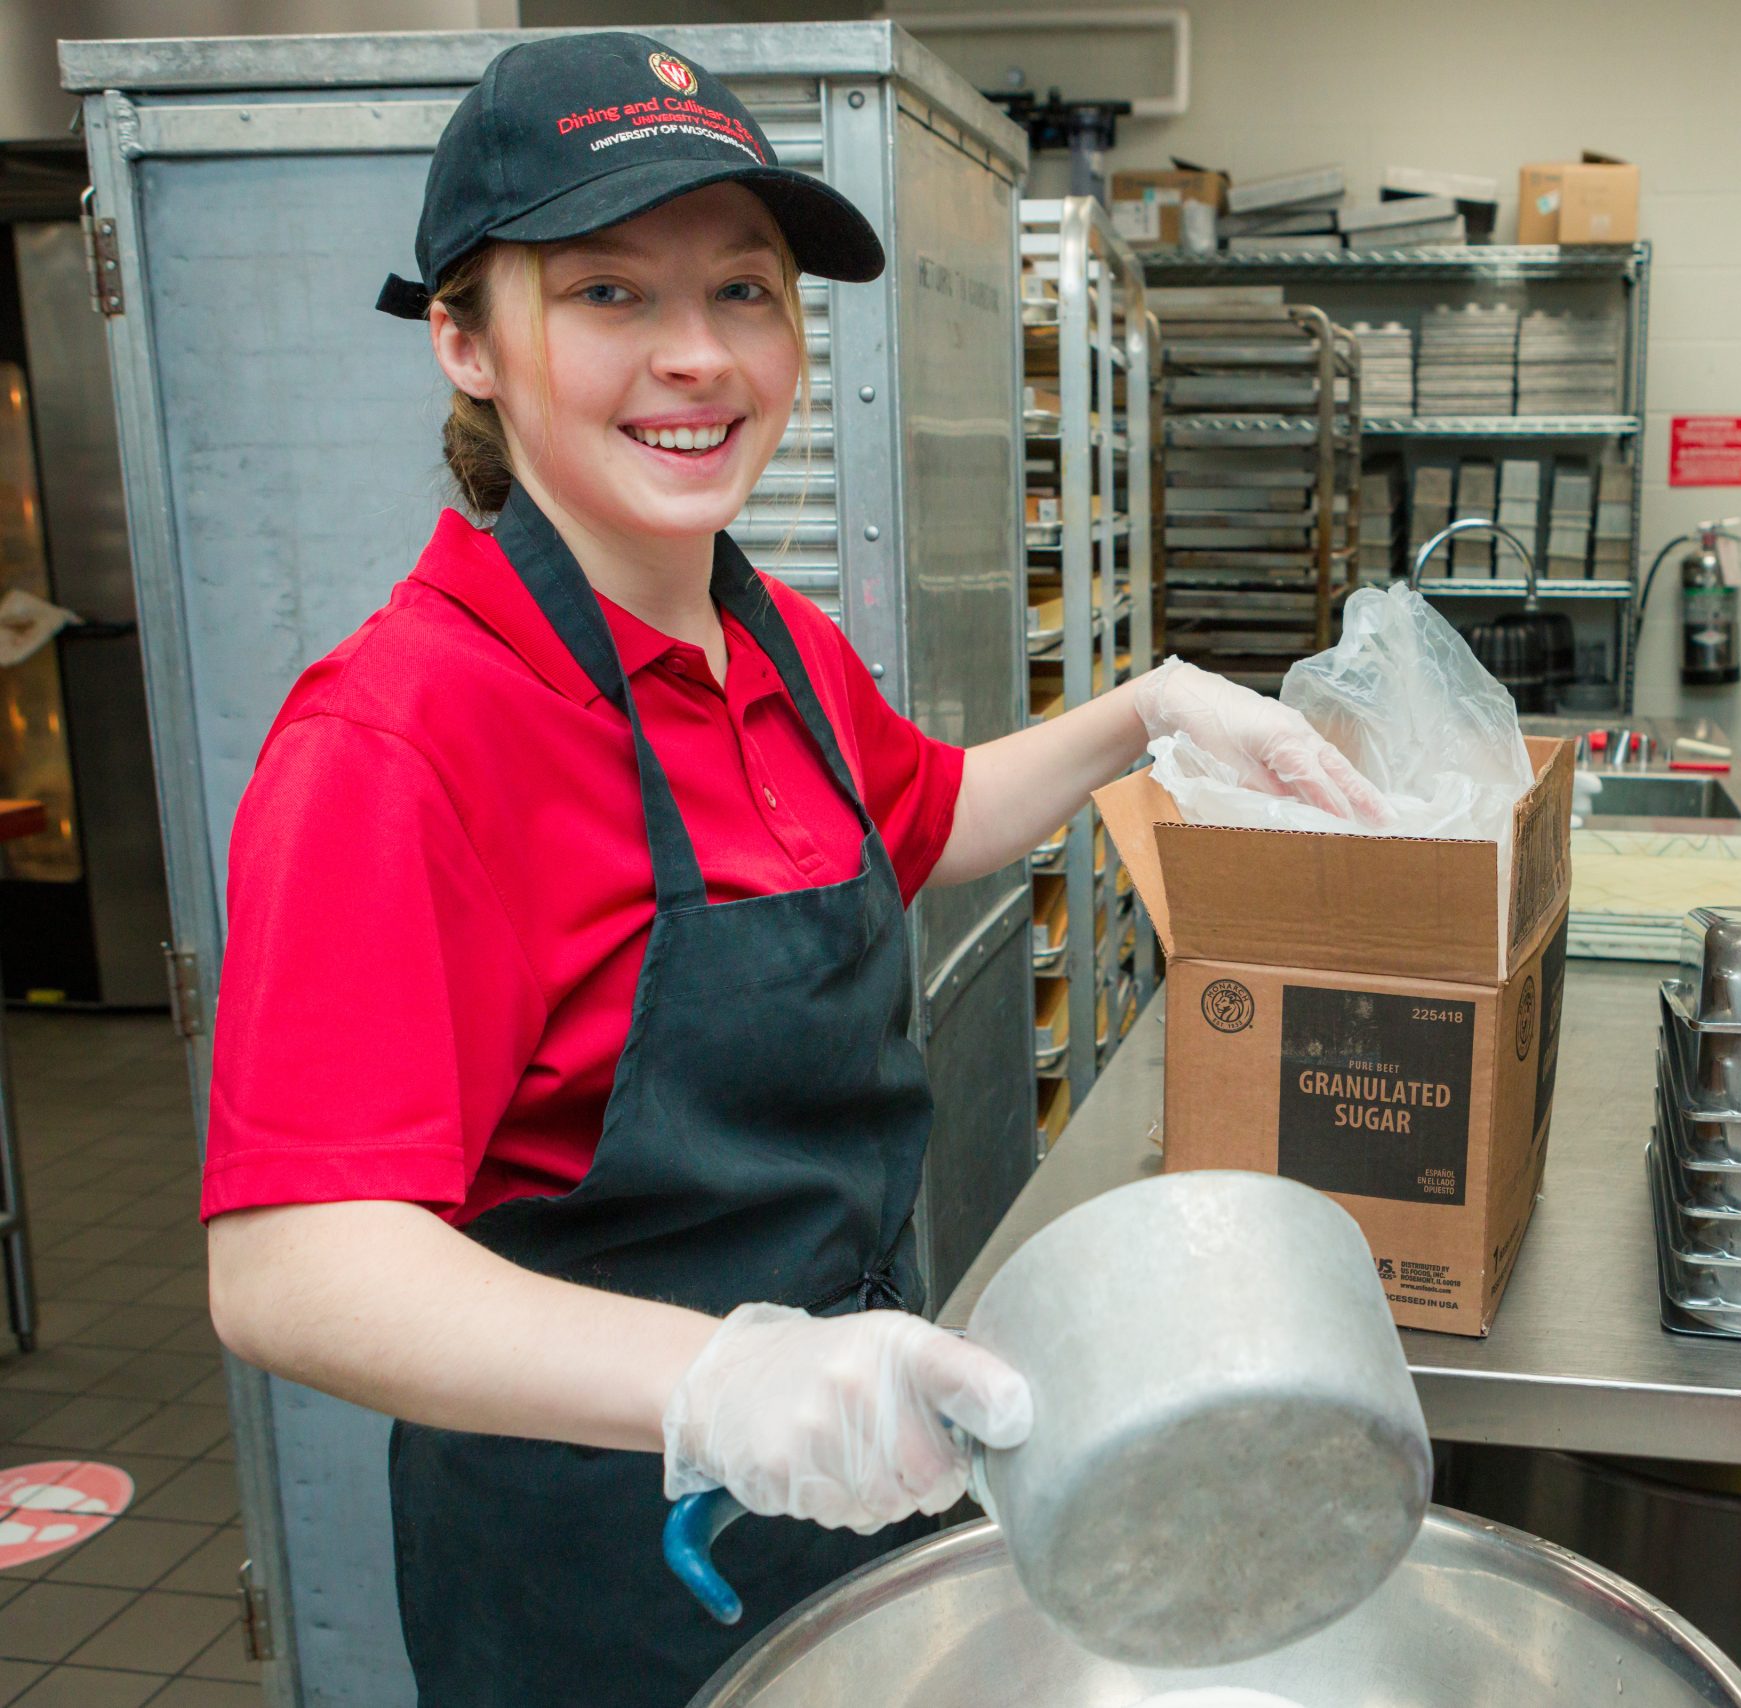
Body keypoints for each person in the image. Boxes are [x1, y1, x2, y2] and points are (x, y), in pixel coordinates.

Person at [200, 33, 1383, 1704]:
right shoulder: (402, 739)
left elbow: (927, 821)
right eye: (611, 294)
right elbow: (290, 1266)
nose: (698, 357)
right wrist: (726, 1389)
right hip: (599, 1565)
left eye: (745, 294)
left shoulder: (777, 645)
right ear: (466, 342)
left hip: (851, 1488)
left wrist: (1146, 716)